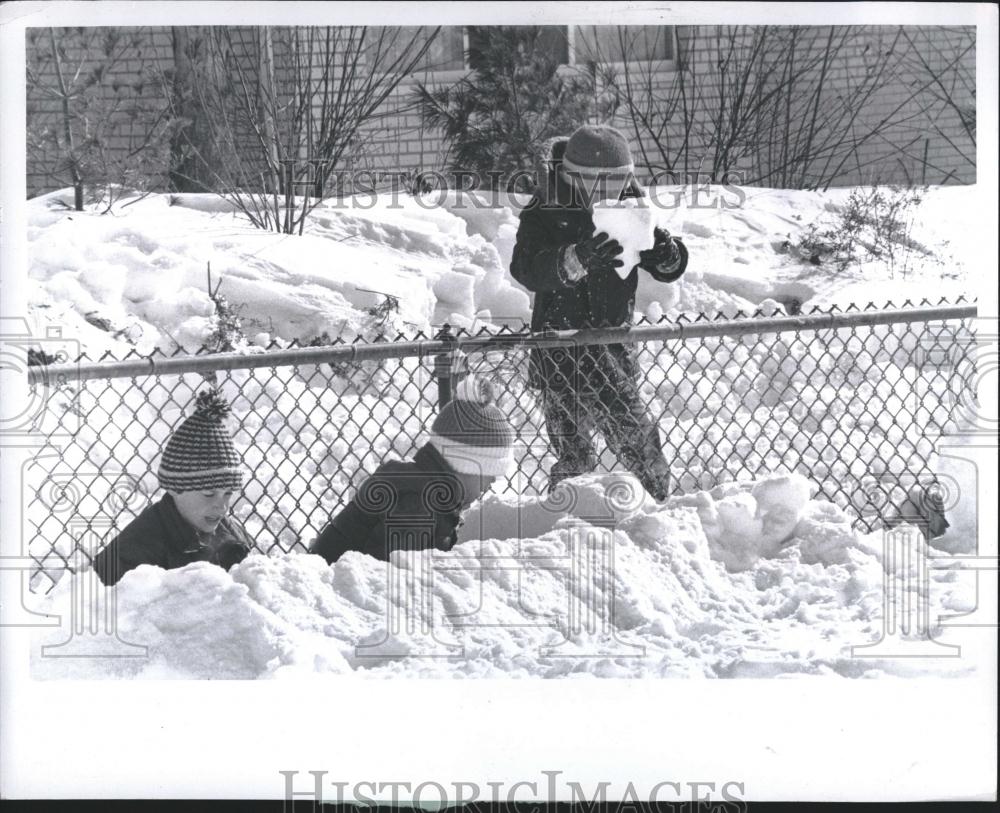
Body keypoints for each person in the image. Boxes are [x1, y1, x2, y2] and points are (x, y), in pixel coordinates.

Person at [510, 123, 688, 501]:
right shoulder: (545, 209)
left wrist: (668, 255)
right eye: (596, 183)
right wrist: (574, 259)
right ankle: (564, 517)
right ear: (571, 176)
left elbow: (663, 258)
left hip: (611, 346)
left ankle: (660, 509)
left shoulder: (631, 205)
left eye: (616, 181)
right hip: (558, 345)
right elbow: (524, 268)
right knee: (574, 455)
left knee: (637, 437)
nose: (607, 192)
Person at [311, 376, 515, 564]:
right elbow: (387, 580)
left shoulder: (433, 495)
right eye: (489, 472)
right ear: (464, 467)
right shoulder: (418, 505)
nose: (493, 481)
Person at [92, 388, 253, 586]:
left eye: (227, 493)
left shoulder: (231, 534)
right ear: (175, 488)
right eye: (209, 494)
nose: (221, 506)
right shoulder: (135, 552)